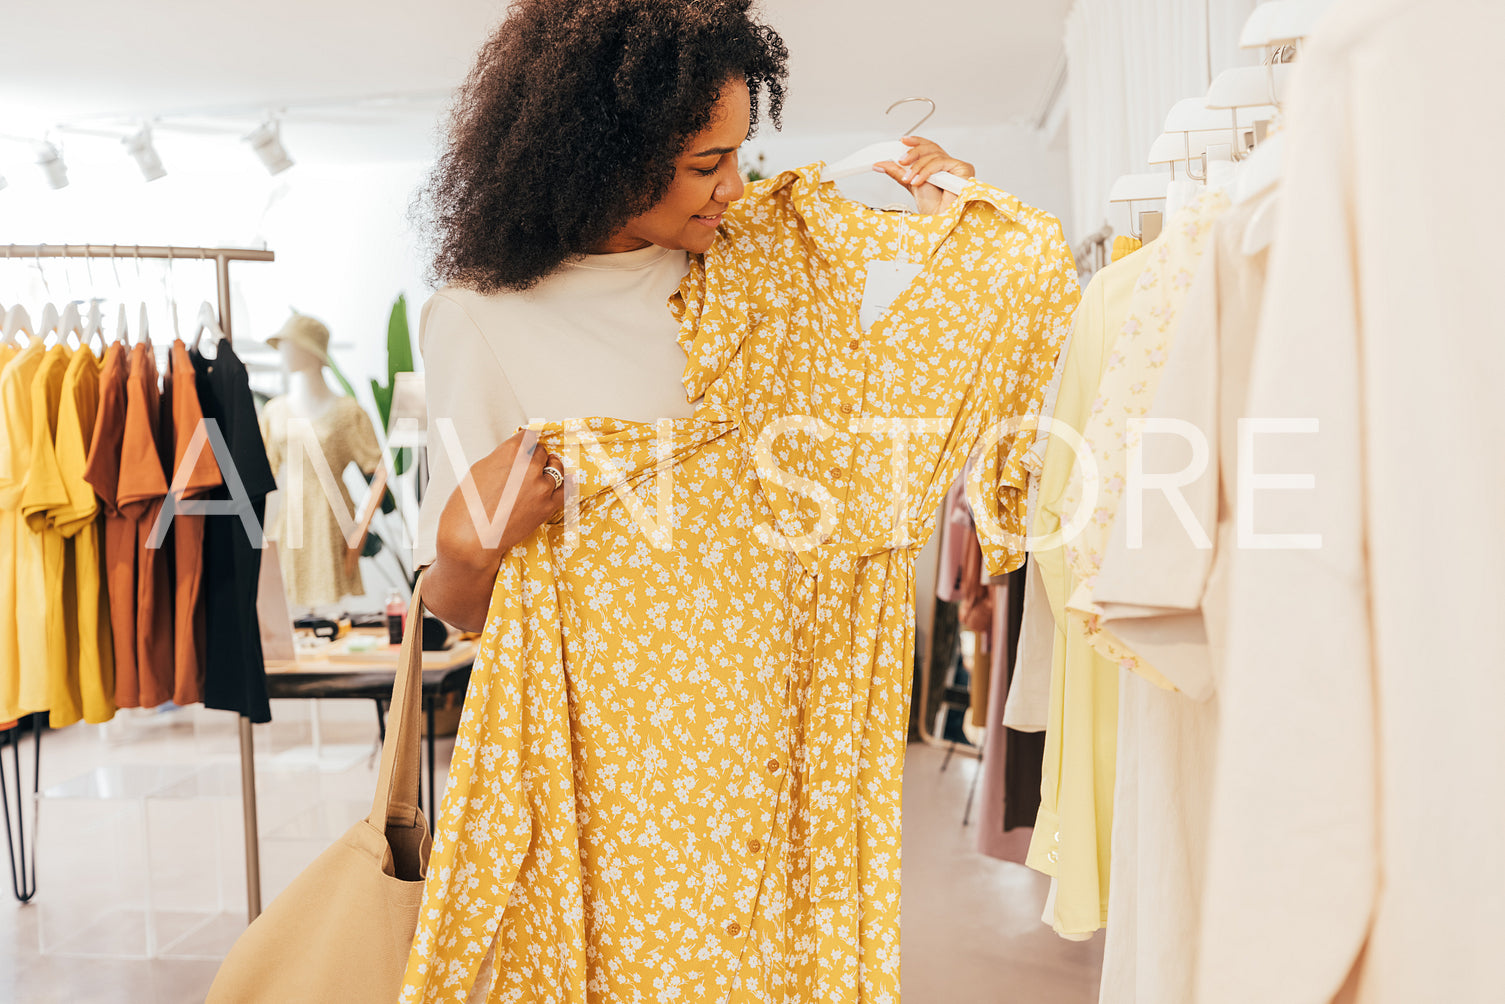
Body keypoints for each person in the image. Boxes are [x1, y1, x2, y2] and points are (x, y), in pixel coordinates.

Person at [414, 0, 974, 632]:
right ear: (603, 164)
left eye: (736, 155)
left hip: (785, 690)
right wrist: (465, 550)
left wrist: (945, 242)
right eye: (707, 165)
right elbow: (461, 613)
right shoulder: (482, 320)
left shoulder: (757, 260)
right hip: (621, 716)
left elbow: (888, 403)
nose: (733, 187)